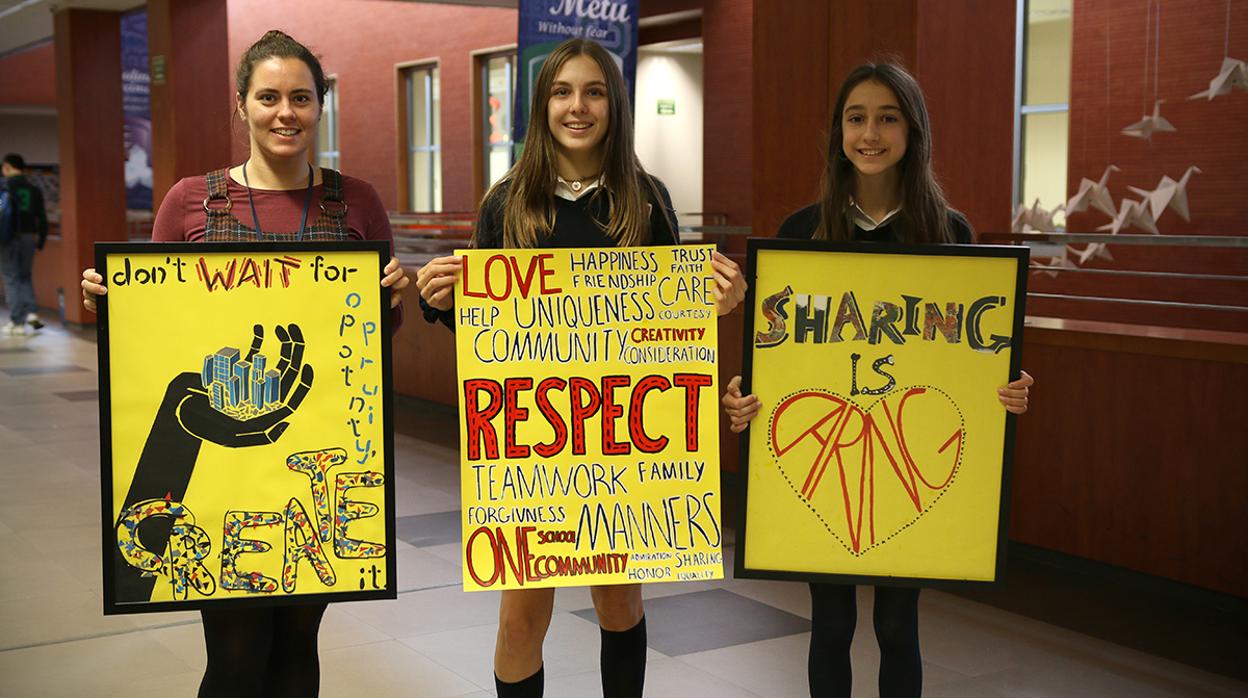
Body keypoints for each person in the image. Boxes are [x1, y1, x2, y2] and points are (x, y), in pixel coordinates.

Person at [80, 30, 409, 698]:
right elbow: (159, 329)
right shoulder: (189, 203)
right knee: (232, 655)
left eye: (300, 97)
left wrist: (392, 300)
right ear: (242, 106)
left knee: (297, 647)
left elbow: (373, 341)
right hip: (210, 476)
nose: (284, 112)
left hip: (316, 467)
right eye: (268, 97)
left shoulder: (358, 203)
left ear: (320, 106)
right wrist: (111, 305)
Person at [415, 38, 746, 698]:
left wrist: (716, 304)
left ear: (614, 105)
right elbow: (490, 335)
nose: (578, 106)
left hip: (620, 443)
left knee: (620, 605)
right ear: (542, 107)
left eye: (593, 91)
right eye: (563, 92)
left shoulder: (644, 200)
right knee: (519, 622)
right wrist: (441, 301)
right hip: (534, 448)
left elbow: (667, 330)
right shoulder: (506, 202)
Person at [720, 61, 1034, 698]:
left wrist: (1004, 388)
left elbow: (972, 356)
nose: (870, 133)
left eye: (887, 117)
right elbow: (776, 358)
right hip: (825, 457)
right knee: (830, 623)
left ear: (913, 131)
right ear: (837, 131)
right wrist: (744, 397)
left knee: (898, 625)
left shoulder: (950, 233)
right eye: (856, 118)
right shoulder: (800, 232)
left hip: (908, 451)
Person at [1, 153, 49, 335]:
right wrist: (41, 241)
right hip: (29, 237)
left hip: (8, 238)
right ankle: (31, 312)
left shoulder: (3, 187)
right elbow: (42, 217)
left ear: (7, 167)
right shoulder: (33, 189)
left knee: (11, 277)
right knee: (25, 275)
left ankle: (17, 321)